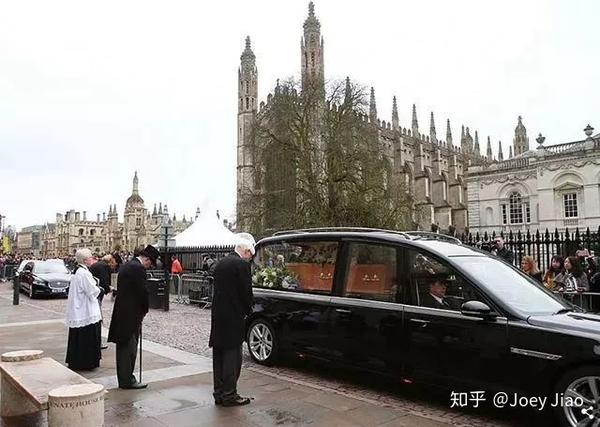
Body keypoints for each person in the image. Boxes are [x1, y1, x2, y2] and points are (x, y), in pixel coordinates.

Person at [209, 233, 255, 406]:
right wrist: (248, 309)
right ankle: (230, 394)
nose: (250, 258)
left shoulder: (222, 263)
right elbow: (246, 292)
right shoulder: (241, 265)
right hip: (234, 316)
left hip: (218, 316)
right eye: (250, 254)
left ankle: (219, 392)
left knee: (219, 355)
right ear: (245, 251)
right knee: (232, 357)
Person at [108, 245, 159, 389]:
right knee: (129, 348)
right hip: (131, 314)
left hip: (123, 312)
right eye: (151, 263)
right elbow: (143, 292)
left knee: (124, 347)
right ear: (147, 259)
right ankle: (127, 380)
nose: (150, 266)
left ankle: (125, 378)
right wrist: (145, 309)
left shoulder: (128, 265)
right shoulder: (138, 268)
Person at [65, 248, 102, 371]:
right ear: (86, 260)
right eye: (91, 257)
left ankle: (77, 361)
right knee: (86, 338)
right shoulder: (84, 273)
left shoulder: (78, 271)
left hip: (79, 309)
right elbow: (92, 291)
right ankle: (86, 362)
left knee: (78, 338)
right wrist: (100, 289)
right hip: (85, 310)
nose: (93, 259)